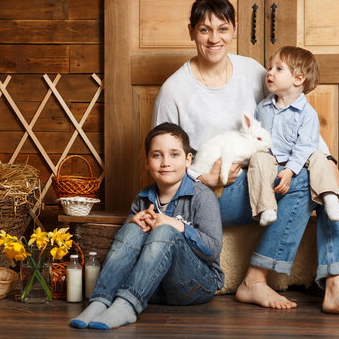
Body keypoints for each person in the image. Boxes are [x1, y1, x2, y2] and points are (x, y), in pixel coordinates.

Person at [152, 0, 339, 318]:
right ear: (191, 31)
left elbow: (290, 115)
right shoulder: (174, 90)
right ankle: (255, 278)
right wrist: (201, 179)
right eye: (204, 30)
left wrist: (330, 163)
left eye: (222, 28)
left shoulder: (252, 72)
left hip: (260, 176)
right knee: (306, 182)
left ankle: (338, 285)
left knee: (336, 181)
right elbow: (159, 163)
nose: (214, 38)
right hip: (209, 193)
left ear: (234, 29)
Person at [70, 123, 224, 330]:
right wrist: (132, 222)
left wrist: (175, 224)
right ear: (147, 162)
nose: (166, 162)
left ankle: (127, 306)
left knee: (165, 230)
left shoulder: (202, 196)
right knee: (133, 227)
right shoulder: (143, 198)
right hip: (153, 288)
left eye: (174, 154)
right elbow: (126, 249)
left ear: (188, 160)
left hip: (194, 285)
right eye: (157, 155)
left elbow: (213, 250)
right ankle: (100, 301)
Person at [248, 46, 339, 227]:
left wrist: (290, 170)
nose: (270, 72)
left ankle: (330, 199)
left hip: (300, 158)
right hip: (272, 158)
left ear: (298, 79)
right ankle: (267, 208)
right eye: (270, 68)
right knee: (257, 158)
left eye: (278, 69)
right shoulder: (262, 107)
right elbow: (255, 134)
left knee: (318, 156)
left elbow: (306, 145)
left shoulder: (307, 113)